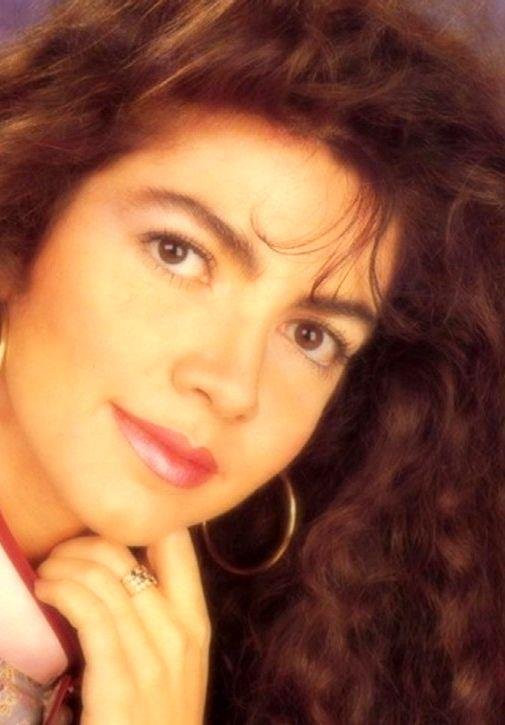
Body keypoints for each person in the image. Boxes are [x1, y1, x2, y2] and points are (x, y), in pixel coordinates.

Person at [0, 0, 503, 722]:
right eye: (178, 253)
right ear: (21, 233)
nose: (234, 385)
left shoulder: (230, 666)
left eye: (311, 336)